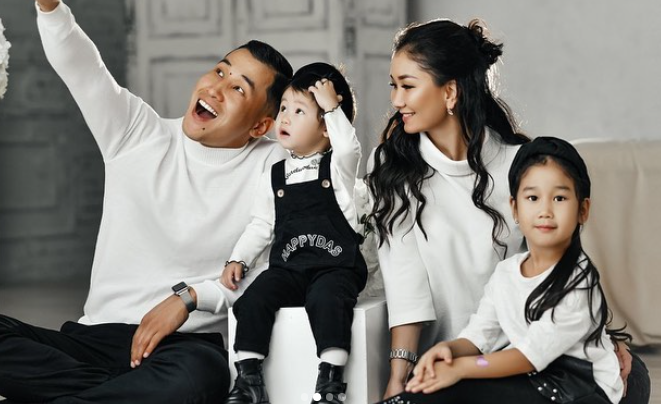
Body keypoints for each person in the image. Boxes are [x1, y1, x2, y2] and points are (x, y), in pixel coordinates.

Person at [0, 1, 292, 403]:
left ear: (260, 125)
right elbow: (83, 68)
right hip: (93, 341)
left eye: (238, 88)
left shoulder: (274, 167)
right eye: (220, 71)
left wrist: (189, 297)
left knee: (199, 376)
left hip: (182, 349)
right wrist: (50, 7)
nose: (215, 89)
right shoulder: (136, 132)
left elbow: (271, 275)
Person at [364, 18, 649, 402]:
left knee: (631, 375)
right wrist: (399, 375)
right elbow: (406, 282)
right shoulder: (390, 168)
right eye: (393, 86)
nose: (396, 101)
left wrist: (600, 339)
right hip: (453, 360)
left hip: (530, 359)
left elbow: (558, 273)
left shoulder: (522, 167)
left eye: (408, 86)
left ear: (450, 91)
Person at [377, 136, 623, 403]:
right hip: (533, 379)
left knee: (464, 383)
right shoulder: (507, 273)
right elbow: (479, 336)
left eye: (560, 198)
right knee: (437, 386)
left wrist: (462, 368)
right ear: (514, 208)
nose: (545, 211)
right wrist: (448, 350)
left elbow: (529, 356)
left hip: (580, 390)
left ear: (583, 210)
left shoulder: (578, 280)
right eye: (532, 197)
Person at [219, 63, 367, 404]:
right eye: (284, 107)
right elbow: (261, 224)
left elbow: (349, 149)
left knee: (327, 300)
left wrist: (332, 107)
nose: (285, 117)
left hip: (335, 267)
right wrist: (238, 258)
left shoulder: (338, 167)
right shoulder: (275, 176)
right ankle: (249, 378)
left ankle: (330, 381)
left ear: (326, 127)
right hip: (289, 269)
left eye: (299, 111)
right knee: (254, 299)